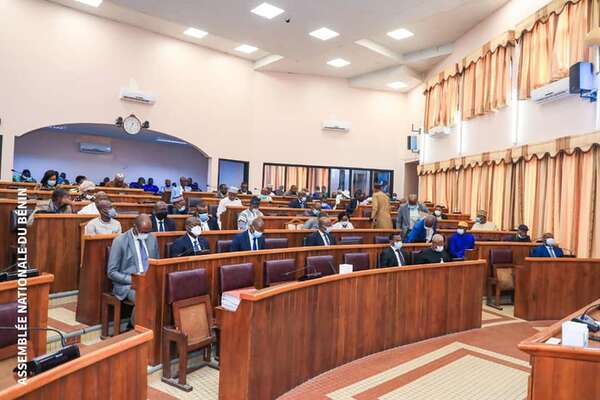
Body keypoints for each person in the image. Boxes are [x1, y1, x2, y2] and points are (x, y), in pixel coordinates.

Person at [107, 214, 159, 325]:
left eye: (148, 232)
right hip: (128, 284)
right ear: (135, 227)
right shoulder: (120, 241)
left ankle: (154, 328)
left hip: (149, 282)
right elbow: (111, 272)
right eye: (143, 232)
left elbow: (157, 263)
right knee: (144, 298)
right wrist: (135, 280)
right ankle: (135, 327)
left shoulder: (152, 238)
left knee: (165, 294)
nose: (146, 235)